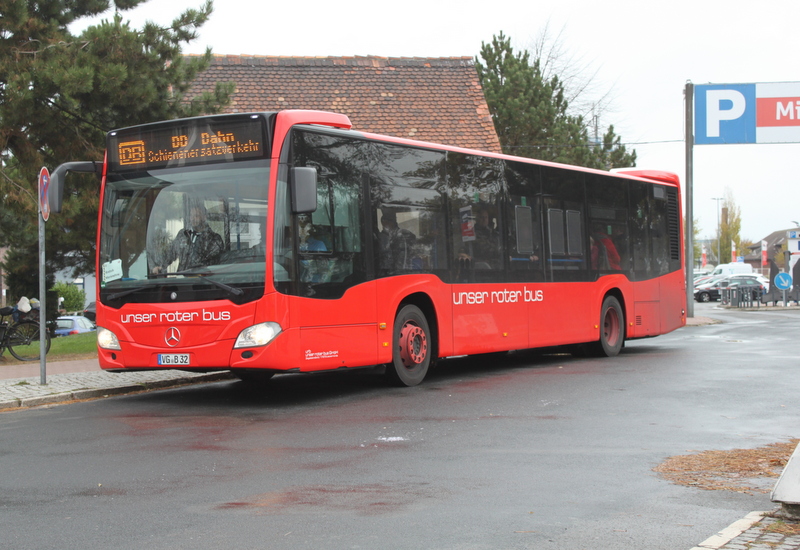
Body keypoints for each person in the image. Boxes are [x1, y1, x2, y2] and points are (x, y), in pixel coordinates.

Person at [153, 202, 224, 273]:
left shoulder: (214, 239)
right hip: (183, 280)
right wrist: (159, 265)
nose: (193, 219)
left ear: (204, 217)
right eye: (191, 216)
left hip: (204, 281)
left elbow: (213, 264)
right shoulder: (183, 234)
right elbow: (171, 252)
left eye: (196, 216)